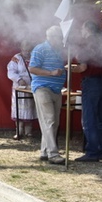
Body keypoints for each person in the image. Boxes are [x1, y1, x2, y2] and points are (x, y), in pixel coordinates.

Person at [69, 21, 102, 162]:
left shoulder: (84, 45)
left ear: (87, 29)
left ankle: (92, 152)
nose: (81, 31)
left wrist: (70, 68)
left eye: (82, 28)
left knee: (89, 118)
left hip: (90, 82)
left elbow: (82, 67)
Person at [28, 26, 67, 166]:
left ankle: (44, 151)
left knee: (53, 122)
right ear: (51, 37)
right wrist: (51, 73)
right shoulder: (40, 49)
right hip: (42, 88)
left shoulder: (60, 51)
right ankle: (53, 154)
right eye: (60, 37)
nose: (62, 40)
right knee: (49, 120)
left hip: (57, 90)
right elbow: (32, 68)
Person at [6, 41, 36, 139]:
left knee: (30, 108)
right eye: (24, 49)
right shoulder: (16, 58)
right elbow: (10, 71)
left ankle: (28, 131)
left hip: (31, 86)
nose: (26, 52)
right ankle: (18, 131)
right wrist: (19, 79)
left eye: (28, 50)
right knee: (18, 109)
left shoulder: (34, 57)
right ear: (21, 48)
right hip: (19, 86)